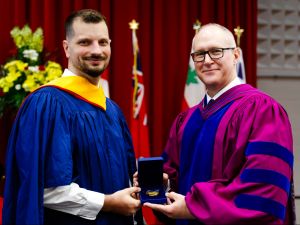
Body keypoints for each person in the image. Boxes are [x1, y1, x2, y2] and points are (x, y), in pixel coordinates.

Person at [143, 23, 295, 224]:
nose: (207, 61)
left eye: (216, 51)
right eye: (199, 54)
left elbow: (264, 192)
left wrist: (193, 206)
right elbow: (176, 177)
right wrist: (162, 187)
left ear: (236, 55)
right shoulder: (185, 120)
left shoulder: (263, 111)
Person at [2, 9, 141, 225]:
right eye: (85, 42)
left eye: (103, 42)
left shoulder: (112, 110)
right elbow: (42, 188)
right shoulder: (48, 103)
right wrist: (108, 202)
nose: (97, 50)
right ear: (67, 48)